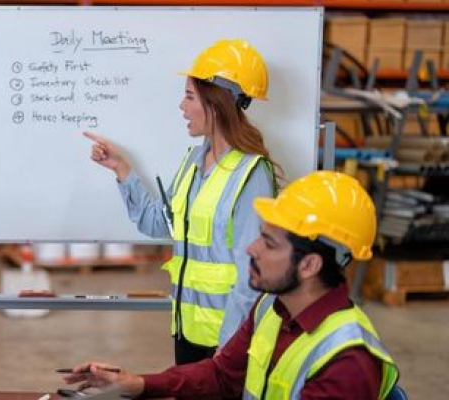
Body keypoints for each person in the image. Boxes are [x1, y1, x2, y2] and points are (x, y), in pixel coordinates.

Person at [63, 171, 400, 400]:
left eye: (268, 243)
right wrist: (135, 383)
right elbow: (222, 375)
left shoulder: (347, 362)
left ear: (310, 264)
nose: (251, 249)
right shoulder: (271, 306)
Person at [84, 39, 280, 365]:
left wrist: (230, 348)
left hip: (227, 344)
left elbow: (254, 273)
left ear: (216, 103)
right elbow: (160, 224)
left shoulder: (251, 174)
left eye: (189, 96)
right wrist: (121, 168)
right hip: (187, 333)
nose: (181, 106)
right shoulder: (193, 162)